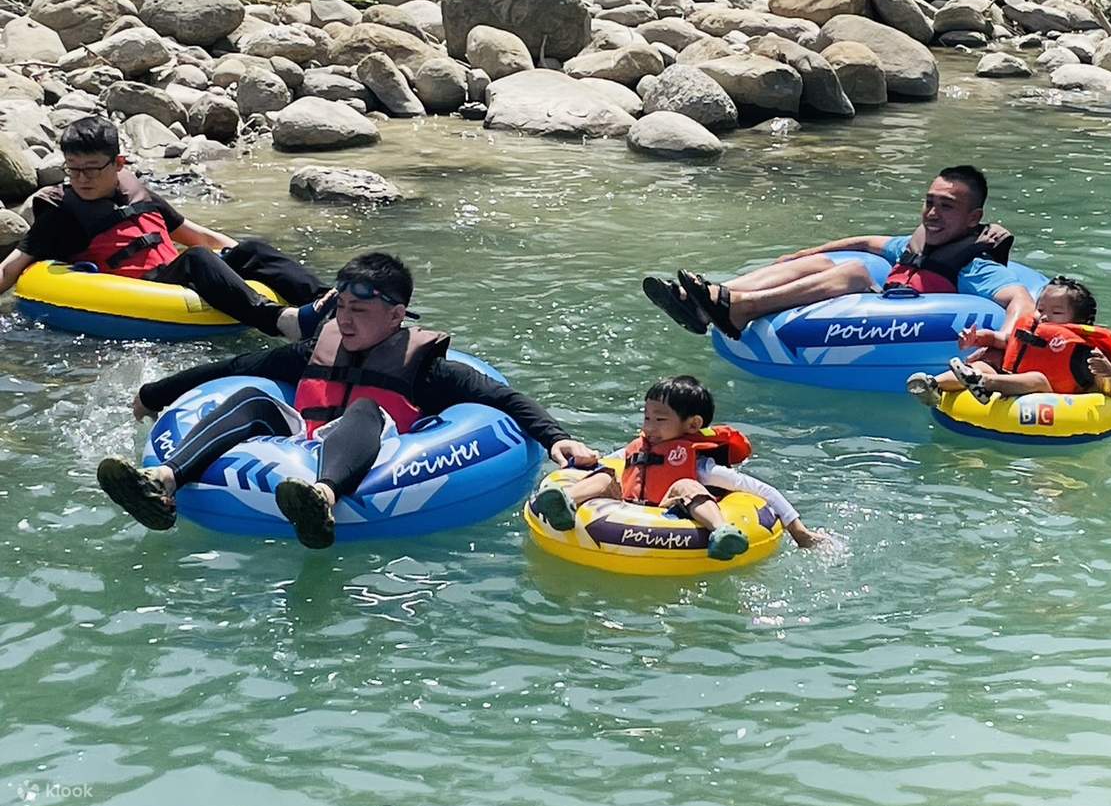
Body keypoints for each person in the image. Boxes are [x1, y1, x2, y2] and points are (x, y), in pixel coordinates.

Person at [95, 252, 599, 548]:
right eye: (341, 308)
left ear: (397, 315)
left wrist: (559, 441)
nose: (346, 321)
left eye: (359, 310)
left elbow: (502, 398)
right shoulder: (316, 348)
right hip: (302, 441)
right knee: (252, 396)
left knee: (366, 409)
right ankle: (161, 483)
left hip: (372, 452)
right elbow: (235, 369)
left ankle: (323, 501)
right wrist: (153, 394)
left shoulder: (426, 368)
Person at [0, 116, 332, 340]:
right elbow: (10, 269)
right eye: (73, 170)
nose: (81, 179)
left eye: (92, 169)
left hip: (172, 273)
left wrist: (244, 260)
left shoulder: (139, 193)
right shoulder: (62, 215)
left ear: (118, 164)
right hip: (141, 289)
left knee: (251, 248)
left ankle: (327, 302)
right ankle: (278, 321)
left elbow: (197, 235)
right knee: (197, 258)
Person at [643, 165, 1039, 343]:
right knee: (824, 263)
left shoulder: (975, 265)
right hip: (885, 300)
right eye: (929, 202)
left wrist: (1004, 338)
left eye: (946, 207)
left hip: (913, 327)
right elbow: (868, 242)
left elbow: (1020, 299)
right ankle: (706, 300)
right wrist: (805, 254)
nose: (932, 214)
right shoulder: (917, 245)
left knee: (853, 274)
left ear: (974, 218)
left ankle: (740, 307)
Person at [529, 375, 824, 561]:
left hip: (674, 510)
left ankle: (721, 532)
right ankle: (564, 501)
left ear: (693, 424)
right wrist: (589, 460)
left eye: (660, 420)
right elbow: (609, 462)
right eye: (646, 418)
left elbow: (760, 490)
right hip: (628, 504)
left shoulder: (701, 464)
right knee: (606, 475)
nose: (649, 427)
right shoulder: (639, 448)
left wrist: (799, 532)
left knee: (687, 485)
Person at [906, 276, 1111, 405]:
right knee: (983, 365)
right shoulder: (1034, 329)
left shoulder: (1084, 351)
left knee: (1037, 378)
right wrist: (981, 338)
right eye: (1040, 309)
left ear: (1079, 321)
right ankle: (932, 384)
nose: (1044, 316)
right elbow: (1007, 342)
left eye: (1056, 312)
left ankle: (984, 384)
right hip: (1011, 381)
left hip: (1053, 399)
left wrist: (1109, 374)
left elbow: (1108, 392)